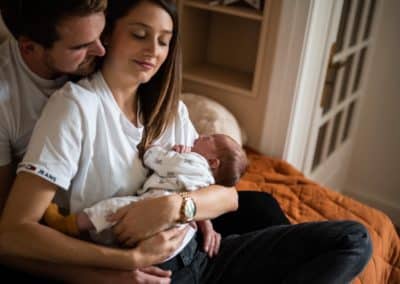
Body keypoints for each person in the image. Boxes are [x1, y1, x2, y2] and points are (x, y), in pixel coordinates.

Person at [0, 0, 372, 283]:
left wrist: (174, 208)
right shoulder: (73, 107)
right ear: (109, 36)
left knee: (353, 239)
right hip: (150, 271)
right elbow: (14, 233)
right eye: (140, 34)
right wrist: (124, 265)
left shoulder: (169, 110)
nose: (153, 51)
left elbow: (228, 196)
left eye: (164, 41)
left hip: (199, 255)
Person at [0, 0, 180, 283]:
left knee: (259, 210)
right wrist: (121, 268)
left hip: (150, 225)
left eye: (102, 33)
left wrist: (183, 205)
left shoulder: (108, 74)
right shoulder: (12, 103)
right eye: (82, 46)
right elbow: (11, 237)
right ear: (29, 48)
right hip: (63, 232)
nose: (101, 50)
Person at [44, 133, 247, 258]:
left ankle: (69, 224)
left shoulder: (194, 162)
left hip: (151, 203)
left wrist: (153, 150)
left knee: (111, 209)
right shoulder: (208, 180)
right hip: (177, 234)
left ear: (213, 162)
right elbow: (198, 201)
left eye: (209, 138)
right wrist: (206, 225)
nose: (202, 135)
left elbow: (161, 161)